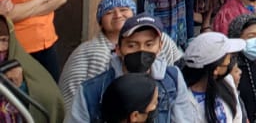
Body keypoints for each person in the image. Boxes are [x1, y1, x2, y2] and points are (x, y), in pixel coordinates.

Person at [67, 14, 201, 123]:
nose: (142, 51)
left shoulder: (172, 80)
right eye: (132, 45)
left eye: (149, 44)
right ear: (118, 49)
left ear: (160, 47)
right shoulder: (92, 91)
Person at [60, 0, 181, 111]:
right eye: (109, 12)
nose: (118, 15)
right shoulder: (91, 52)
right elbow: (73, 96)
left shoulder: (172, 75)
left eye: (123, 9)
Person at [177, 31, 247, 123]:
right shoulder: (183, 100)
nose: (230, 62)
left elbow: (237, 118)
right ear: (216, 70)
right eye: (227, 61)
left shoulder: (227, 82)